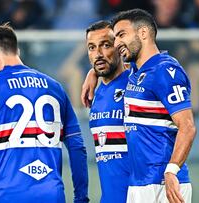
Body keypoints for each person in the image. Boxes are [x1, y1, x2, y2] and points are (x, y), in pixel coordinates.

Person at [0, 23, 89, 203]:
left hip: (6, 195)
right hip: (51, 195)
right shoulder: (56, 88)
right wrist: (81, 198)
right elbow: (77, 147)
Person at [82, 9, 197, 203]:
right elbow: (119, 68)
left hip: (161, 182)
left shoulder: (165, 70)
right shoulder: (137, 72)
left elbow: (188, 126)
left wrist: (171, 171)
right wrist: (93, 72)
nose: (117, 43)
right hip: (139, 185)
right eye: (91, 48)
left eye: (121, 36)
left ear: (143, 33)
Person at [85, 20, 129, 203]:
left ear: (119, 47)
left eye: (105, 45)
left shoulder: (136, 81)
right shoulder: (97, 91)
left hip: (141, 194)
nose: (98, 54)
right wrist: (93, 73)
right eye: (92, 48)